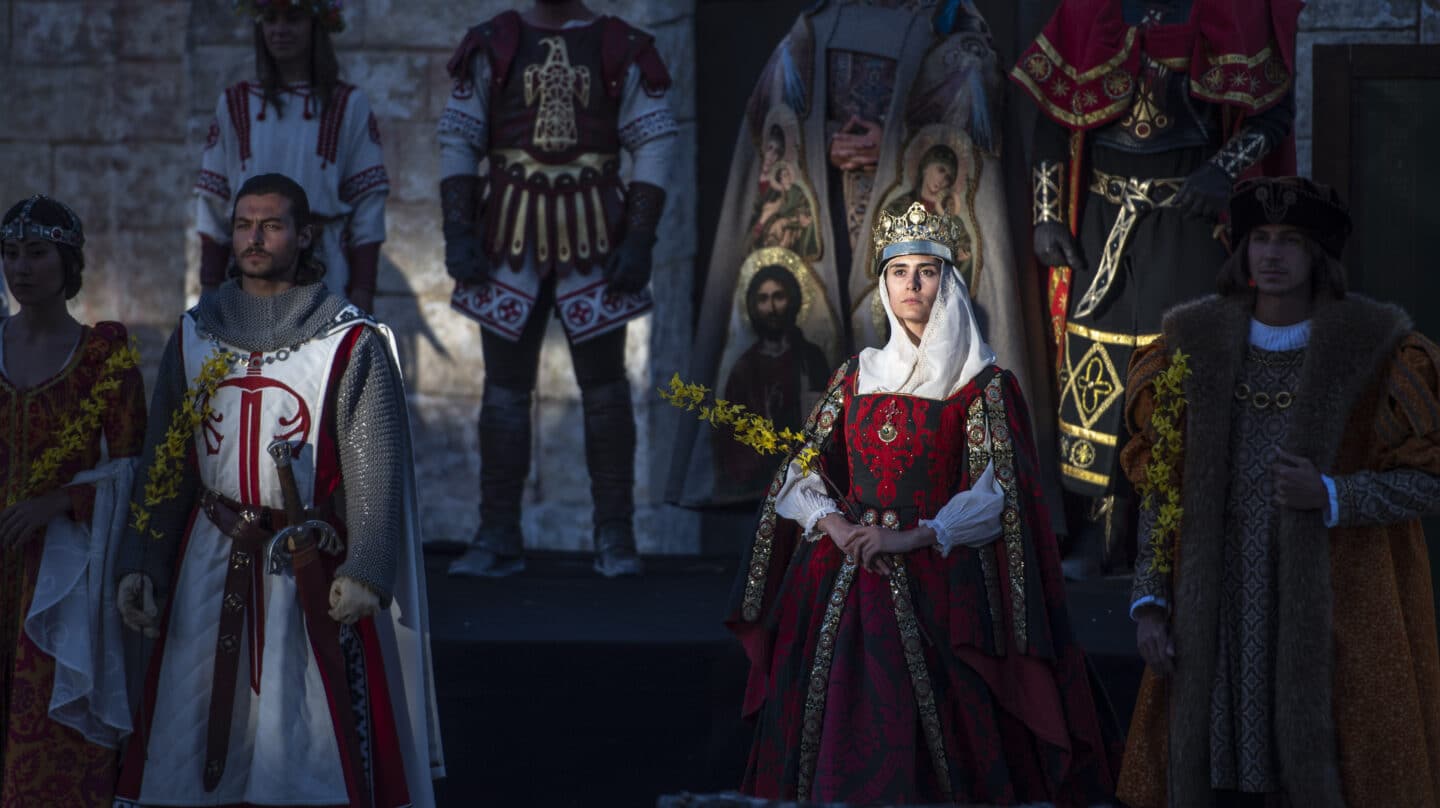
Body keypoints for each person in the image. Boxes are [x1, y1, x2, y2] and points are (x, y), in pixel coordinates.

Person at [727, 201, 1120, 804]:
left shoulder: (982, 385)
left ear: (947, 279)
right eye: (898, 271)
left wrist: (912, 537)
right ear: (883, 284)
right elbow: (800, 467)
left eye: (926, 271)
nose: (912, 284)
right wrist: (834, 525)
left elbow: (999, 499)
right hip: (843, 573)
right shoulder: (856, 375)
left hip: (941, 580)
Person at [113, 174, 442, 807]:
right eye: (243, 224)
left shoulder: (349, 340)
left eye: (271, 224)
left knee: (299, 754)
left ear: (304, 235)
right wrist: (142, 559)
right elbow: (166, 466)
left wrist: (367, 567)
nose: (254, 238)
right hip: (204, 569)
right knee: (188, 745)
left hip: (302, 571)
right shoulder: (196, 333)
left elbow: (374, 469)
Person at [1119, 177, 1440, 807]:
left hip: (1339, 604)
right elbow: (1164, 485)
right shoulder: (1189, 351)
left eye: (1290, 241)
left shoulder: (1379, 355)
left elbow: (1427, 482)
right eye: (1260, 239)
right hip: (1219, 601)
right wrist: (1151, 599)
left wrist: (1333, 495)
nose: (1271, 254)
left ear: (1319, 253)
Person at [672, 0, 1053, 516]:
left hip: (913, 220)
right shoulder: (814, 28)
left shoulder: (955, 32)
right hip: (828, 216)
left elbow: (975, 111)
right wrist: (815, 142)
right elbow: (771, 117)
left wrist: (895, 146)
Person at [1011, 0, 1301, 576]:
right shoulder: (1087, 10)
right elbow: (1051, 119)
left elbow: (1273, 111)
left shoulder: (1230, 11)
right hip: (1100, 223)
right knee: (1094, 368)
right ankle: (1100, 534)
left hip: (1189, 224)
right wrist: (1046, 216)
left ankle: (1169, 539)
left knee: (1181, 371)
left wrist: (1223, 170)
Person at [438, 0, 678, 578]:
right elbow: (459, 135)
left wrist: (641, 237)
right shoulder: (492, 41)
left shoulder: (621, 45)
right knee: (503, 389)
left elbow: (655, 137)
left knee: (604, 388)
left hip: (596, 236)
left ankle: (615, 534)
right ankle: (498, 532)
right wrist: (458, 230)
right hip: (506, 238)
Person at [0, 196, 146, 806]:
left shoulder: (104, 358)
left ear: (66, 262)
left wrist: (59, 501)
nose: (20, 268)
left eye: (36, 253)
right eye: (10, 253)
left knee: (45, 739)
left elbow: (133, 471)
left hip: (57, 575)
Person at [195, 0, 388, 311]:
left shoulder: (348, 104)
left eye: (293, 18)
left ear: (316, 25)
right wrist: (209, 286)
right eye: (271, 19)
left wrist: (363, 289)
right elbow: (213, 201)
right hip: (249, 267)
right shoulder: (235, 103)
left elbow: (368, 202)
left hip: (325, 267)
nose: (280, 30)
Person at [716, 263, 829, 499]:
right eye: (763, 299)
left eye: (779, 297)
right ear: (753, 307)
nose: (772, 308)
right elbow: (732, 439)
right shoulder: (744, 369)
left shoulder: (810, 358)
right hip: (759, 487)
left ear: (793, 300)